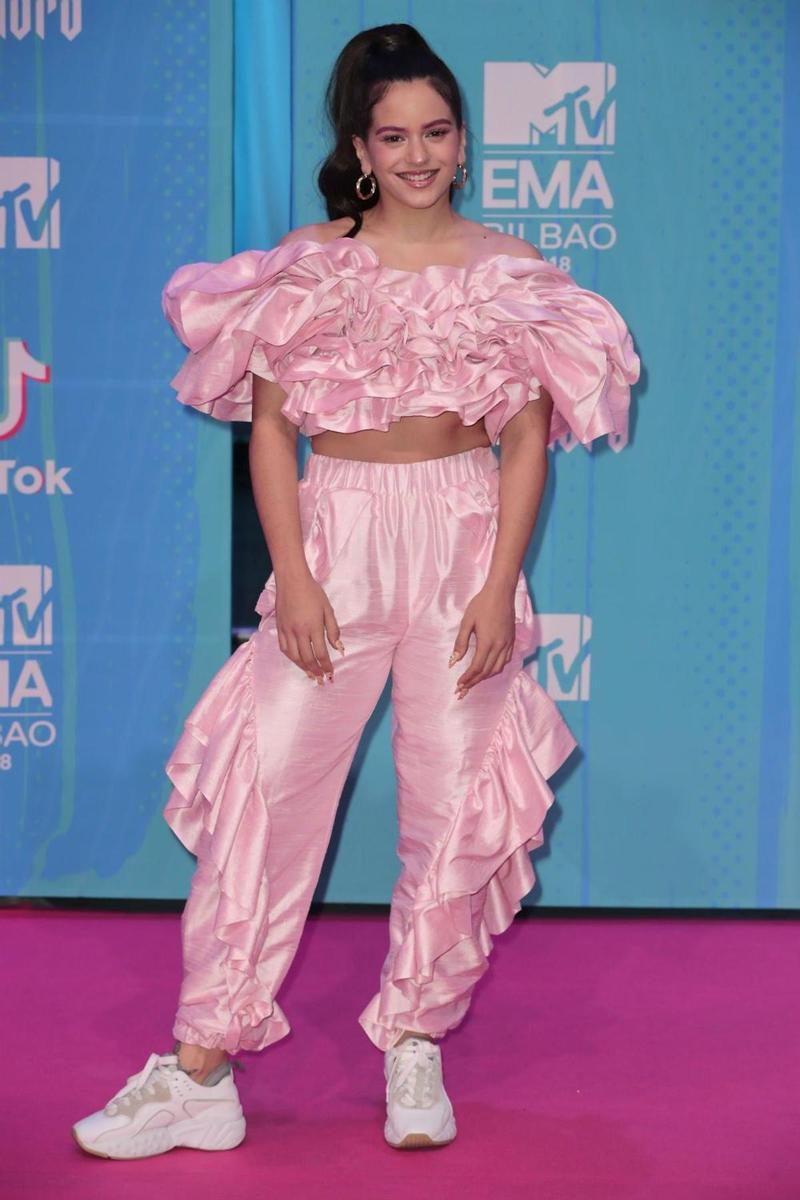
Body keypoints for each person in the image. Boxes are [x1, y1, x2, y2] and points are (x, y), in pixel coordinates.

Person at [72, 22, 640, 1159]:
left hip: (460, 541)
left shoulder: (512, 275)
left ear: (465, 145)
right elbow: (270, 432)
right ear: (360, 148)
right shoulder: (310, 263)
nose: (418, 152)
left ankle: (415, 1045)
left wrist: (495, 587)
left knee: (454, 797)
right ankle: (200, 1069)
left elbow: (523, 442)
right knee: (263, 792)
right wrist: (290, 575)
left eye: (436, 131)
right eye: (395, 134)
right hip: (331, 538)